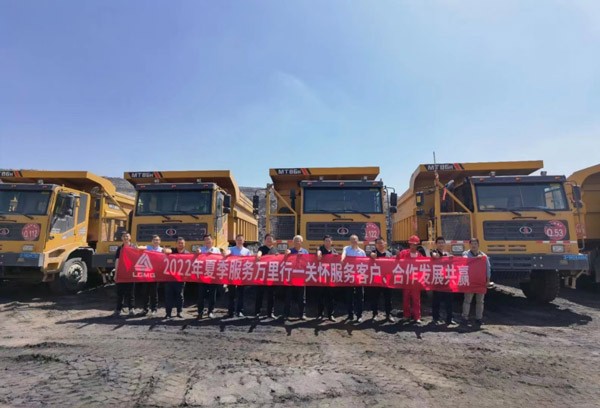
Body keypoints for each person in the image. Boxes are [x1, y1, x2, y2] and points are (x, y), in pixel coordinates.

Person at [461, 238, 492, 326]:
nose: (473, 246)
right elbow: (465, 260)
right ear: (469, 245)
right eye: (472, 244)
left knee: (480, 301)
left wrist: (488, 280)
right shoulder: (465, 254)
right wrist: (476, 258)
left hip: (480, 282)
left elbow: (488, 269)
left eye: (475, 244)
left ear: (478, 245)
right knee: (467, 300)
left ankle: (479, 318)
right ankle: (464, 317)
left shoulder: (484, 256)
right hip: (470, 281)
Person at [137, 235, 168, 317]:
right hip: (147, 273)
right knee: (145, 292)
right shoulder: (148, 247)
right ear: (152, 241)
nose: (156, 241)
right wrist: (138, 247)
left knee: (154, 292)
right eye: (154, 240)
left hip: (156, 274)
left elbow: (169, 252)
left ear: (160, 241)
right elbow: (141, 247)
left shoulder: (161, 249)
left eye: (157, 240)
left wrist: (166, 251)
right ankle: (145, 309)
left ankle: (154, 309)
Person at [397, 235, 424, 324]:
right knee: (406, 299)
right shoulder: (404, 253)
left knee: (416, 300)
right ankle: (406, 315)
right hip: (406, 281)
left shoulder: (419, 255)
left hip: (416, 281)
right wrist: (397, 255)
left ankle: (417, 317)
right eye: (412, 244)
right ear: (409, 244)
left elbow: (425, 265)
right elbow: (396, 261)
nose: (413, 246)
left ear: (417, 245)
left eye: (415, 244)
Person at [368, 237, 395, 322]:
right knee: (375, 297)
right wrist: (370, 255)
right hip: (377, 278)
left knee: (388, 298)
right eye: (378, 243)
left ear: (385, 243)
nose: (380, 244)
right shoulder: (373, 253)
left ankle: (389, 314)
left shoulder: (389, 254)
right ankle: (375, 314)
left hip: (387, 278)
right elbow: (365, 259)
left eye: (381, 243)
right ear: (375, 245)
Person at [225, 234, 252, 318]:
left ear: (243, 241)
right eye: (238, 240)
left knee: (241, 294)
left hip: (242, 275)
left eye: (241, 240)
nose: (239, 241)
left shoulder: (247, 251)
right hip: (232, 274)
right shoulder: (231, 249)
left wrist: (245, 258)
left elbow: (250, 262)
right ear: (235, 241)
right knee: (231, 294)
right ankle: (231, 311)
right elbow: (226, 253)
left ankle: (239, 311)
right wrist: (227, 253)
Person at [430, 237, 455, 325]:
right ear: (436, 244)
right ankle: (435, 318)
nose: (441, 244)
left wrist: (451, 258)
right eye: (439, 242)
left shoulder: (447, 253)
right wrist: (440, 256)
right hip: (437, 280)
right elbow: (434, 255)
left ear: (444, 244)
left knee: (449, 301)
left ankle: (449, 319)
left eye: (442, 242)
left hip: (446, 281)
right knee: (436, 301)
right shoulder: (433, 252)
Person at [341, 234, 366, 323]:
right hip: (349, 276)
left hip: (359, 277)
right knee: (349, 297)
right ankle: (350, 315)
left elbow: (365, 263)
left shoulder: (362, 252)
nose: (354, 241)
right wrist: (342, 259)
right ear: (350, 241)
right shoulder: (346, 249)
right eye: (352, 239)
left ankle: (359, 315)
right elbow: (343, 254)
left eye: (355, 239)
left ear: (358, 240)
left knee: (360, 297)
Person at [283, 235, 308, 320]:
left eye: (299, 240)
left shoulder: (305, 252)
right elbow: (284, 260)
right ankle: (286, 314)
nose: (297, 242)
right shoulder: (290, 251)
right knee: (288, 297)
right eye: (295, 241)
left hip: (301, 277)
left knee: (302, 298)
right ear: (293, 242)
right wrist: (286, 254)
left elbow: (308, 263)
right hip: (291, 277)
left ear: (301, 242)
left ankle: (302, 314)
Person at [196, 234, 221, 319]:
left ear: (212, 240)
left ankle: (210, 311)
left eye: (209, 239)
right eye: (206, 239)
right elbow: (197, 258)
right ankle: (200, 312)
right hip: (203, 276)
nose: (207, 241)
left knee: (212, 295)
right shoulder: (201, 249)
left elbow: (221, 261)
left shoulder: (217, 250)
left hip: (213, 276)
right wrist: (199, 253)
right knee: (201, 295)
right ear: (204, 241)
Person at [255, 233, 278, 319]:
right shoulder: (262, 248)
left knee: (271, 295)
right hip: (261, 275)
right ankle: (257, 312)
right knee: (259, 294)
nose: (269, 240)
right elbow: (259, 253)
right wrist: (259, 255)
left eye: (270, 239)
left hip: (271, 275)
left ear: (273, 241)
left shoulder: (275, 250)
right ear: (265, 240)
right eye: (267, 239)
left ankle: (270, 313)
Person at [113, 232, 136, 317]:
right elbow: (117, 261)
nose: (125, 238)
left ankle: (131, 309)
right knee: (120, 292)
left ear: (130, 238)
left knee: (131, 292)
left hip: (131, 273)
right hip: (121, 273)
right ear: (122, 238)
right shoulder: (120, 248)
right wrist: (116, 273)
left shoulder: (134, 247)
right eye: (124, 236)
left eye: (127, 236)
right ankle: (118, 310)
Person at [164, 237, 187, 319]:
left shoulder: (187, 253)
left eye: (182, 243)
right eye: (179, 243)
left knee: (180, 296)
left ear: (184, 244)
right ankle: (168, 313)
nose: (180, 244)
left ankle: (179, 312)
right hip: (169, 278)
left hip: (181, 279)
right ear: (176, 244)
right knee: (168, 296)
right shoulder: (172, 250)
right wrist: (166, 251)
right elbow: (167, 251)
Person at [316, 235, 337, 322]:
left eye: (329, 241)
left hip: (330, 277)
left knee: (331, 297)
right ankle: (320, 314)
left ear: (331, 242)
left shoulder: (334, 251)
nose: (328, 242)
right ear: (323, 242)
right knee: (320, 296)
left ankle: (330, 315)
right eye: (326, 241)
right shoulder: (320, 249)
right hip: (322, 276)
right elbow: (318, 252)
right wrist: (319, 254)